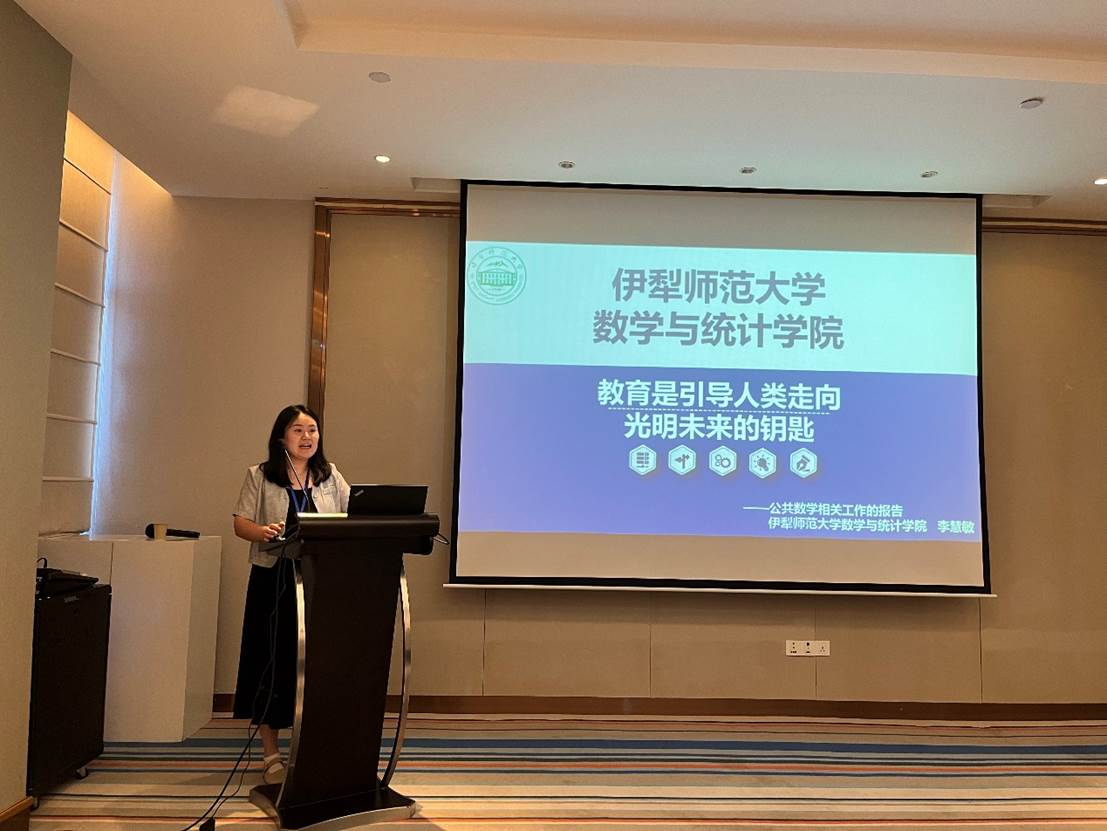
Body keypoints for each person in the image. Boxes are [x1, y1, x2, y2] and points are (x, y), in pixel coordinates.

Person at [231, 404, 350, 784]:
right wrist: (262, 531)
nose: (307, 437)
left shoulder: (330, 476)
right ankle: (270, 754)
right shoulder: (260, 475)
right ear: (281, 438)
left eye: (312, 430)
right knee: (271, 662)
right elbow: (240, 523)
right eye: (298, 430)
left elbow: (354, 516)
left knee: (315, 663)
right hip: (275, 578)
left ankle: (312, 745)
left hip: (321, 580)